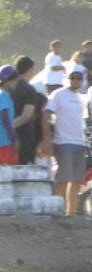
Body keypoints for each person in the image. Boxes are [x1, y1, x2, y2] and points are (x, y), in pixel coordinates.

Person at [42, 69, 87, 215]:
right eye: (72, 77)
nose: (75, 80)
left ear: (82, 81)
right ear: (67, 78)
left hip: (80, 143)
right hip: (64, 142)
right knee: (63, 179)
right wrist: (47, 140)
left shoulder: (81, 98)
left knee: (77, 180)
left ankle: (70, 214)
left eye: (78, 78)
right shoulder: (58, 94)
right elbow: (46, 115)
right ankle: (55, 211)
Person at [0, 65, 20, 165]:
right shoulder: (4, 94)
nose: (16, 82)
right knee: (10, 171)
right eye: (14, 79)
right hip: (5, 141)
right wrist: (14, 139)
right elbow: (5, 118)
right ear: (7, 80)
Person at [11, 56, 39, 164]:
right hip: (24, 137)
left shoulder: (7, 86)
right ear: (29, 70)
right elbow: (26, 116)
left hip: (6, 139)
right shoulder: (29, 90)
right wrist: (9, 127)